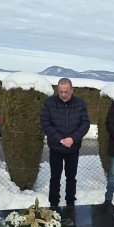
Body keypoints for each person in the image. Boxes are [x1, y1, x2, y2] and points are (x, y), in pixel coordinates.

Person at [40, 78, 90, 207]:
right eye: (61, 91)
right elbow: (45, 123)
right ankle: (53, 203)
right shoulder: (49, 103)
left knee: (71, 177)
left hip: (73, 149)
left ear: (72, 90)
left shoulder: (80, 104)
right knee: (55, 177)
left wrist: (73, 139)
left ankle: (70, 202)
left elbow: (85, 124)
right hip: (56, 148)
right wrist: (59, 139)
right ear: (58, 90)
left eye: (66, 91)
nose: (63, 94)